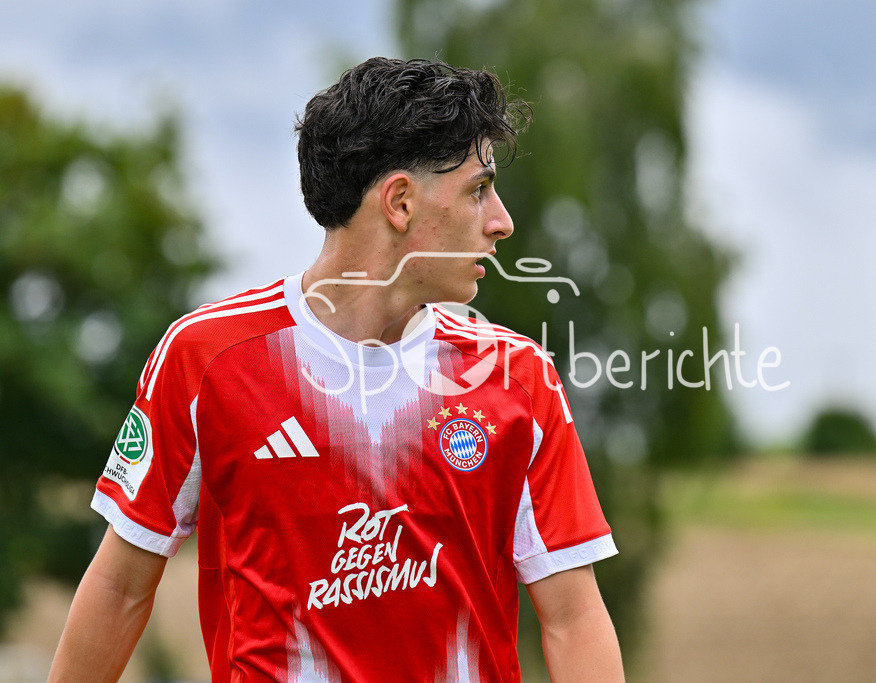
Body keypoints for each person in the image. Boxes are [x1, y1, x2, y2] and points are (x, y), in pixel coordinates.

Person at [49, 57, 624, 681]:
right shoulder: (206, 358)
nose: (501, 221)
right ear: (399, 202)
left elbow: (573, 618)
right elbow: (119, 588)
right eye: (479, 189)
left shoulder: (519, 379)